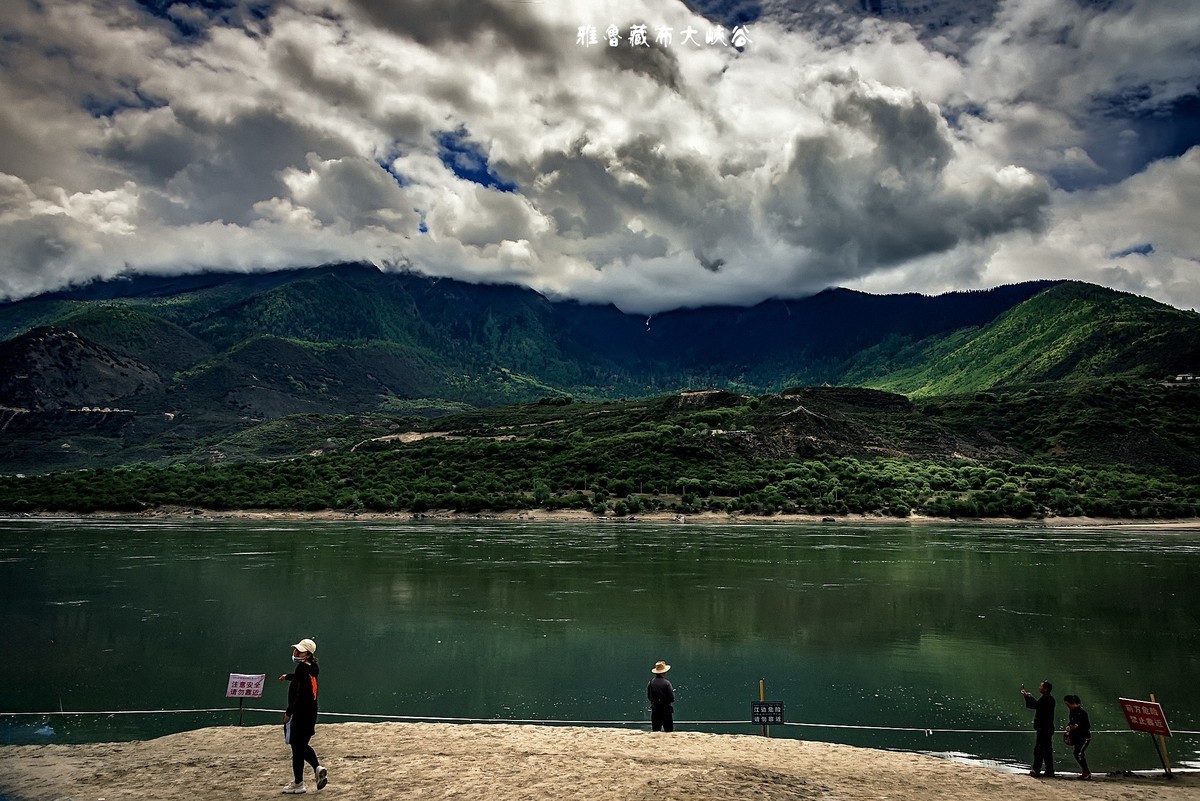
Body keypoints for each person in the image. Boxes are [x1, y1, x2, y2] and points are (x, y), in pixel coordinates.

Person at [279, 638, 328, 794]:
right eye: (296, 650)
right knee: (301, 746)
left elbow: (299, 695)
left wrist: (288, 712)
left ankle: (299, 784)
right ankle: (317, 769)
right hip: (311, 713)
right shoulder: (312, 667)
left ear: (308, 654)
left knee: (297, 747)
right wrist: (288, 676)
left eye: (300, 651)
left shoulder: (302, 668)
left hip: (300, 714)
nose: (296, 653)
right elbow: (302, 679)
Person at [1020, 680, 1056, 777]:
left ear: (1045, 688)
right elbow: (1037, 705)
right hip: (1047, 729)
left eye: (1041, 686)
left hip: (1044, 729)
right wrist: (1028, 697)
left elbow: (1035, 706)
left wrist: (1027, 697)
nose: (1039, 688)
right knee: (1047, 750)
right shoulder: (1048, 699)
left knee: (1039, 750)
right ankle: (1049, 770)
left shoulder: (1046, 699)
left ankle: (1036, 770)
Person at [1063, 694, 1092, 779]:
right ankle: (1085, 772)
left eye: (1068, 705)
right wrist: (1069, 727)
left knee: (1079, 754)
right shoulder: (1072, 712)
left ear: (1075, 703)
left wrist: (1078, 727)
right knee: (1077, 753)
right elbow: (1071, 722)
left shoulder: (1082, 713)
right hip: (1077, 737)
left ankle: (1087, 772)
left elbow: (1087, 726)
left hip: (1084, 737)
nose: (1068, 707)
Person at [647, 660, 675, 732]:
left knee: (656, 731)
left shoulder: (650, 683)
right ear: (664, 672)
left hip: (655, 710)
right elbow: (672, 698)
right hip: (666, 710)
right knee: (669, 732)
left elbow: (649, 697)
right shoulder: (667, 683)